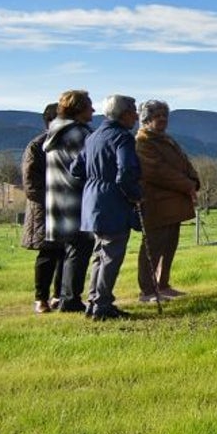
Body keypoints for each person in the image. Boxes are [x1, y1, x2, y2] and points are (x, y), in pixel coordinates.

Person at [71, 94, 141, 321]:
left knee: (100, 254)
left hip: (91, 200)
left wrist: (95, 179)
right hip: (113, 201)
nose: (137, 116)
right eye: (133, 111)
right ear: (124, 114)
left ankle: (94, 301)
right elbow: (126, 172)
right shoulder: (122, 137)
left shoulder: (93, 137)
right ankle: (102, 305)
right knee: (111, 255)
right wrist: (135, 196)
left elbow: (75, 169)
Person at [135, 99, 200, 302]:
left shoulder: (166, 139)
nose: (162, 119)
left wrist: (193, 179)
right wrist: (187, 184)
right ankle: (147, 290)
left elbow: (184, 162)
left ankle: (162, 284)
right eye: (157, 116)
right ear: (146, 119)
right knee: (153, 247)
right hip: (156, 203)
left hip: (173, 204)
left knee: (169, 245)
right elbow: (158, 171)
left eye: (164, 115)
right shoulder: (143, 142)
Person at [44, 90, 96, 313]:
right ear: (79, 109)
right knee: (80, 247)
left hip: (57, 198)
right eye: (89, 106)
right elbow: (89, 164)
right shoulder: (77, 134)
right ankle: (70, 299)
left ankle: (65, 296)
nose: (93, 110)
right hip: (74, 198)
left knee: (70, 249)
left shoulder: (56, 132)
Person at [21, 103, 65, 313]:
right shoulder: (37, 146)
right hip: (45, 210)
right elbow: (31, 185)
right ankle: (41, 298)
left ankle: (60, 295)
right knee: (48, 256)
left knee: (66, 254)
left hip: (66, 208)